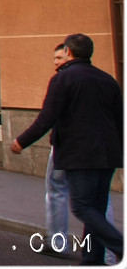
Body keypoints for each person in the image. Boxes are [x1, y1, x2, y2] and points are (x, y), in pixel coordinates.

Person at [12, 33, 123, 265]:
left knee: (82, 207)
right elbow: (120, 120)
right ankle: (92, 261)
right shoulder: (108, 80)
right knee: (96, 209)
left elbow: (47, 118)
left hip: (80, 155)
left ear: (68, 52)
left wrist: (22, 141)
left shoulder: (63, 79)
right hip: (107, 155)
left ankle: (119, 246)